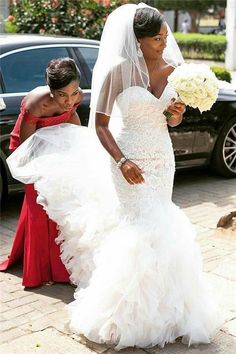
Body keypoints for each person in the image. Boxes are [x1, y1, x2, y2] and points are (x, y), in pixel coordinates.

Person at [6, 3, 220, 350]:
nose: (164, 43)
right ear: (138, 41)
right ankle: (123, 313)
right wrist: (122, 162)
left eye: (166, 36)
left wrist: (176, 113)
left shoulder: (174, 71)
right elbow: (102, 125)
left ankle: (170, 310)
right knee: (138, 226)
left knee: (162, 224)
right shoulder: (118, 72)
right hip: (126, 157)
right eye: (157, 38)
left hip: (162, 159)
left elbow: (172, 120)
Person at [0, 58, 82, 288]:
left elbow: (71, 116)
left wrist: (78, 147)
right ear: (51, 91)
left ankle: (61, 266)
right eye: (62, 95)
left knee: (61, 204)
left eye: (73, 93)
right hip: (30, 148)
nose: (69, 100)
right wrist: (44, 169)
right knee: (38, 204)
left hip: (57, 143)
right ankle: (37, 270)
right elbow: (26, 146)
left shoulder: (76, 97)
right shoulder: (37, 104)